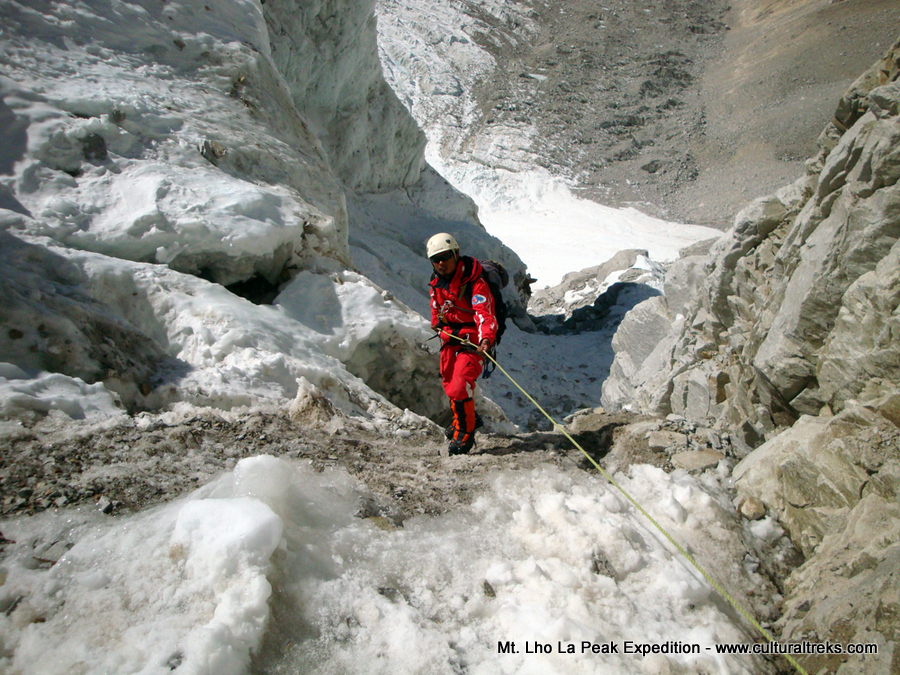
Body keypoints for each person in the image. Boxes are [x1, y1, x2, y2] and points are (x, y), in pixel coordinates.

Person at [427, 232, 498, 455]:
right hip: (451, 338)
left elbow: (484, 313)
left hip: (474, 341)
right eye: (436, 259)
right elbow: (436, 307)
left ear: (456, 254)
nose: (441, 262)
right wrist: (436, 322)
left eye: (445, 256)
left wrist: (486, 338)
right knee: (449, 382)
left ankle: (465, 433)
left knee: (460, 384)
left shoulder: (475, 283)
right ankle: (465, 419)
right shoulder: (438, 283)